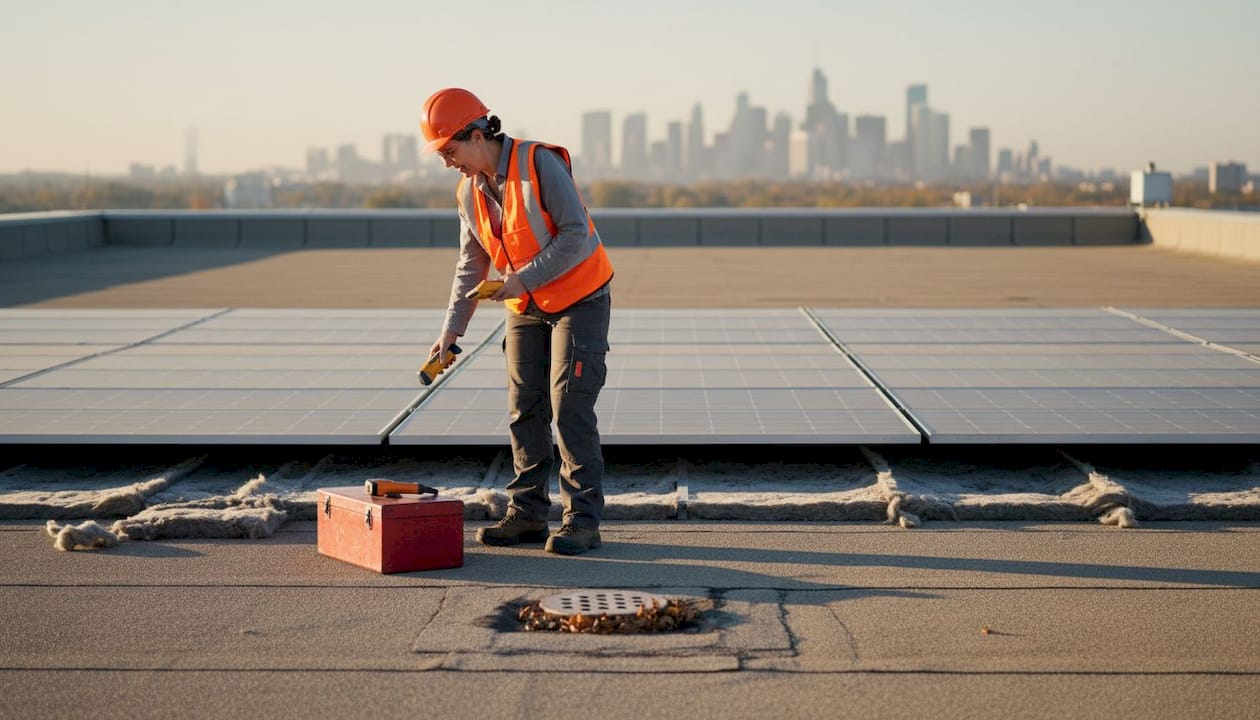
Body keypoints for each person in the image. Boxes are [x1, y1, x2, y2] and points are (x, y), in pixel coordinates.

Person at [420, 88, 614, 556]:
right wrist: (450, 332)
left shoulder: (539, 163)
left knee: (569, 409)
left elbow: (575, 235)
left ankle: (582, 523)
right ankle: (527, 514)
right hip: (524, 307)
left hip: (579, 299)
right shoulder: (469, 191)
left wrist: (522, 280)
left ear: (476, 133)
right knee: (524, 409)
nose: (448, 163)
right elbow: (471, 263)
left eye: (450, 151)